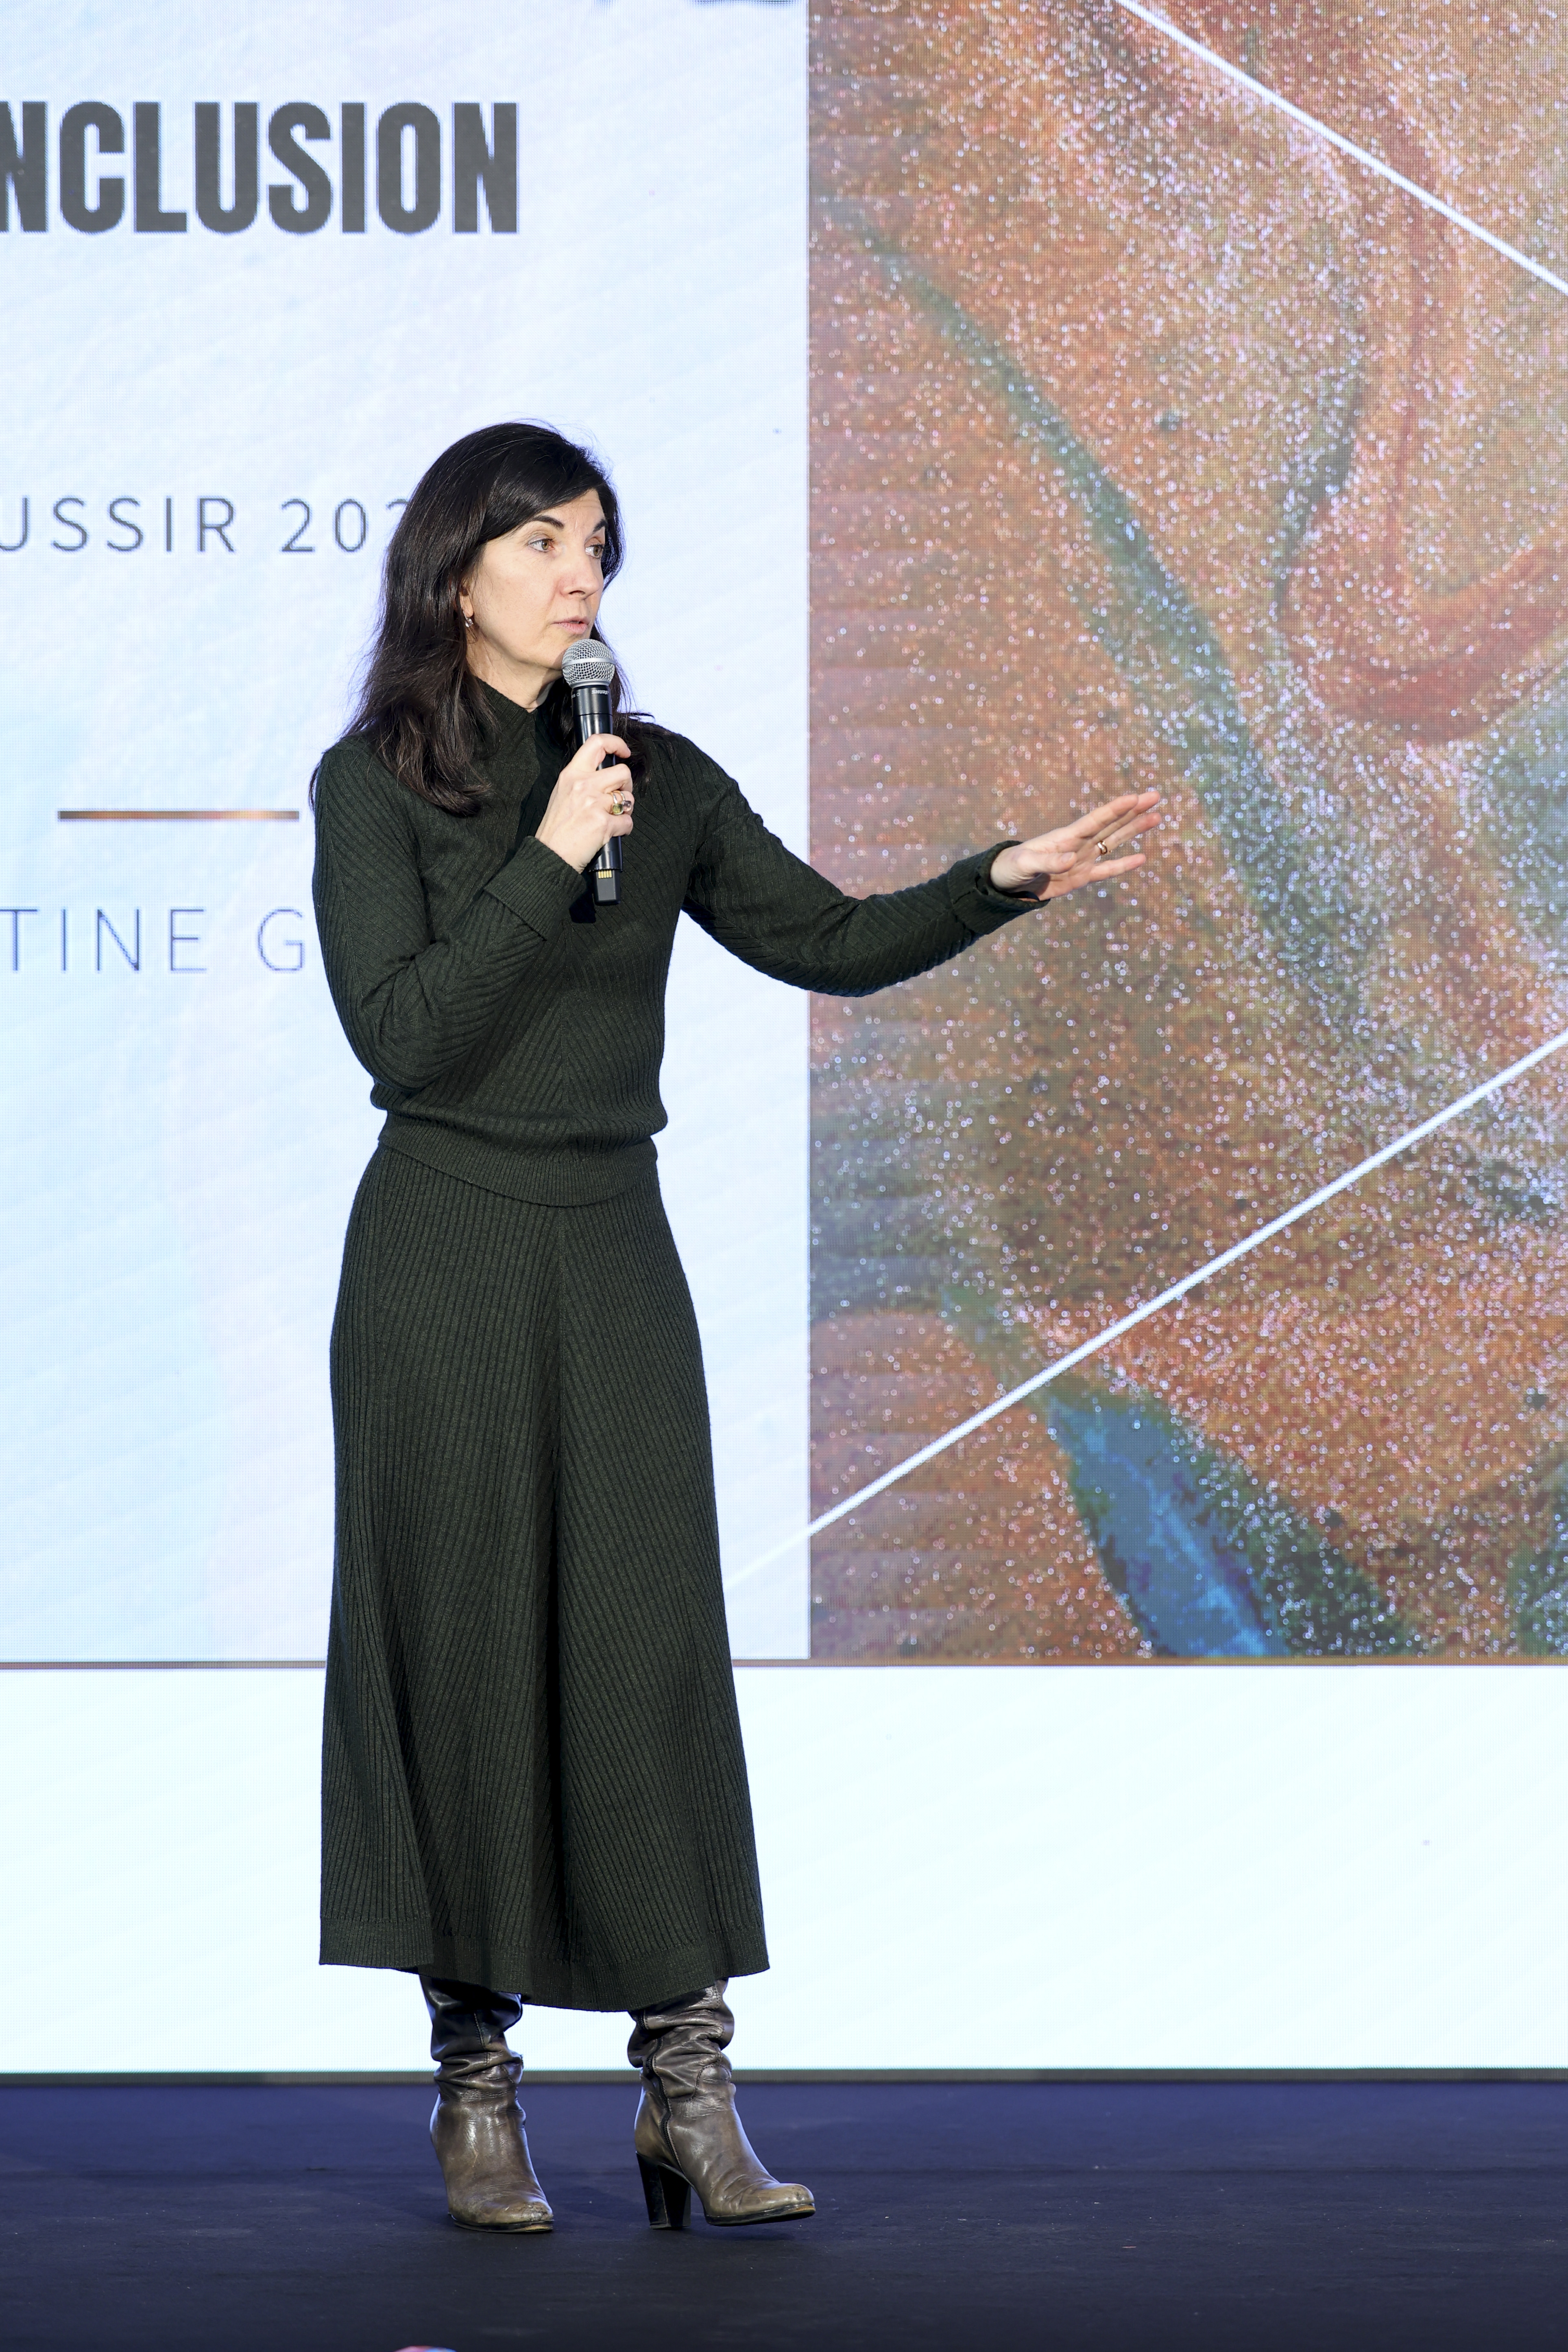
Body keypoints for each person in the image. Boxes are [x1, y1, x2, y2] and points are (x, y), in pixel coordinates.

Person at [310, 420, 1160, 2235]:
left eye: (598, 544)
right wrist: (544, 854)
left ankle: (686, 2090)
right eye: (544, 542)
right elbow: (404, 1037)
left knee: (644, 1653)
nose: (581, 574)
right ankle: (477, 2092)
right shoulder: (373, 786)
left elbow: (826, 941)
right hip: (442, 1258)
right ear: (457, 570)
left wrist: (994, 882)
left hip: (611, 1249)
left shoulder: (656, 774)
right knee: (463, 1651)